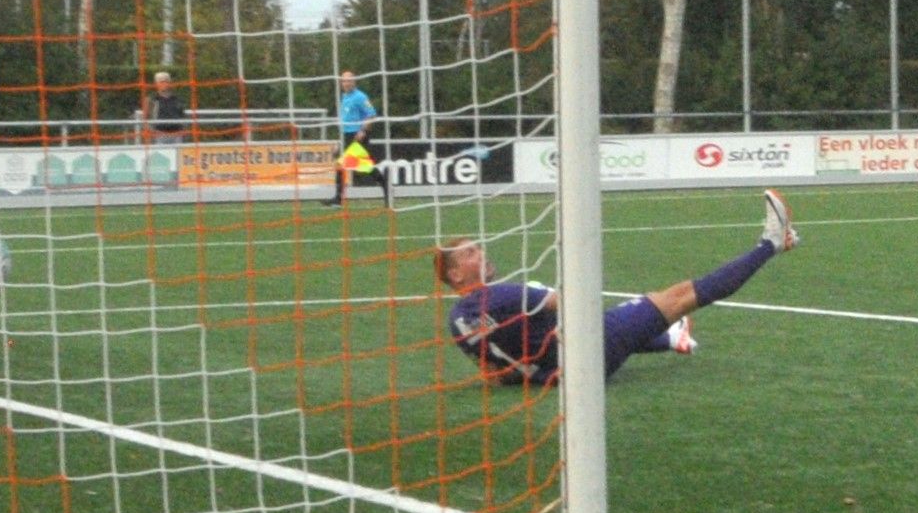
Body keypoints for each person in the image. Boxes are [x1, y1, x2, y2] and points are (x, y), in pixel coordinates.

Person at [442, 189, 802, 385]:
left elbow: (494, 373)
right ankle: (771, 242)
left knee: (638, 318)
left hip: (554, 375)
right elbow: (575, 304)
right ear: (456, 275)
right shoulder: (499, 295)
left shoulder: (458, 320)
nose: (482, 253)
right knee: (680, 297)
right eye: (471, 253)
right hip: (592, 351)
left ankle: (671, 338)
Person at [324, 70, 392, 208]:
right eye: (343, 81)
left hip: (358, 135)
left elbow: (372, 115)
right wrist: (339, 141)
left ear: (354, 82)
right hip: (346, 135)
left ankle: (386, 187)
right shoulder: (344, 97)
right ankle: (338, 198)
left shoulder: (360, 97)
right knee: (341, 164)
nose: (346, 83)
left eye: (349, 80)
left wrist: (363, 130)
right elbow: (345, 121)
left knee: (363, 167)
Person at [145, 71, 189, 145]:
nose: (164, 84)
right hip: (159, 134)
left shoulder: (177, 99)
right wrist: (152, 132)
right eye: (161, 82)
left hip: (177, 134)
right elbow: (145, 118)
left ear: (170, 83)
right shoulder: (152, 99)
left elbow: (183, 115)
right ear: (156, 84)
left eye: (166, 81)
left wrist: (183, 130)